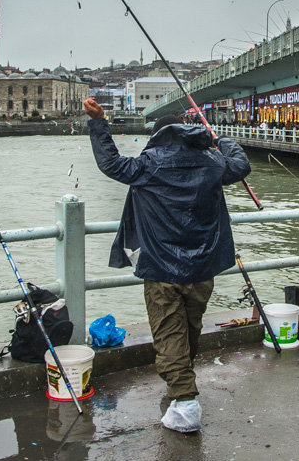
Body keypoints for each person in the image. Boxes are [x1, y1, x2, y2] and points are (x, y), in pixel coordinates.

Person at [83, 98, 251, 432]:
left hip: (162, 267)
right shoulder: (213, 163)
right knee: (190, 328)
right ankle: (180, 382)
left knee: (168, 331)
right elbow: (241, 164)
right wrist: (221, 140)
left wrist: (99, 122)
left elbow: (111, 163)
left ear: (159, 137)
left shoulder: (149, 165)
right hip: (202, 266)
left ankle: (185, 400)